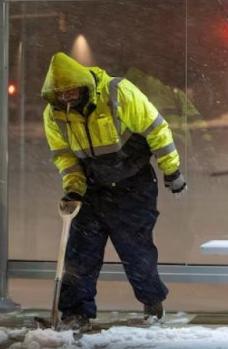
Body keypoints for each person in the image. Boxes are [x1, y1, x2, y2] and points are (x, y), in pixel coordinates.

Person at [41, 52, 187, 332]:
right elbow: (65, 157)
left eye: (71, 89)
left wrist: (172, 171)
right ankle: (75, 312)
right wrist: (74, 189)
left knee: (136, 250)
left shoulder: (118, 93)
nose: (67, 97)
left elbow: (157, 130)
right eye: (60, 93)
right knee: (80, 253)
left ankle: (152, 303)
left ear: (83, 83)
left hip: (133, 183)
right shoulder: (54, 115)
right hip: (92, 188)